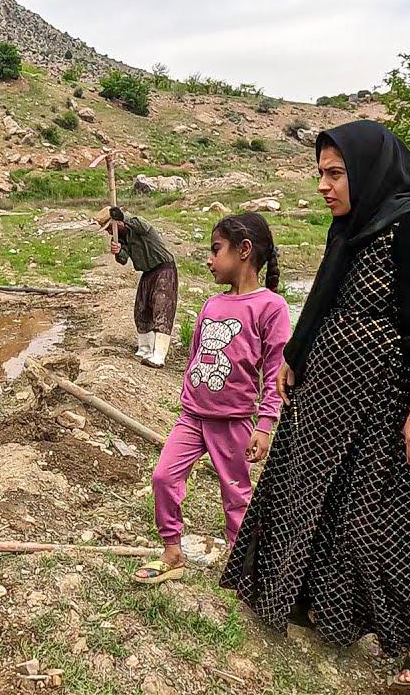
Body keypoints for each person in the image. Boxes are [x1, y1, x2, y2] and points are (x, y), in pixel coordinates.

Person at [220, 121, 410, 689]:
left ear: (368, 173)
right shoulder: (350, 227)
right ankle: (310, 602)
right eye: (321, 174)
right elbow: (322, 298)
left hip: (390, 400)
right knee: (314, 495)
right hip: (329, 394)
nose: (324, 186)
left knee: (385, 516)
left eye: (335, 174)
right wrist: (295, 353)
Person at [133, 212, 291, 584]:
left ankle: (241, 569)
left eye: (216, 250)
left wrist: (264, 425)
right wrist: (189, 396)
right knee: (163, 477)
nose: (209, 259)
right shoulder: (211, 305)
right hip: (192, 417)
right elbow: (193, 357)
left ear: (244, 251)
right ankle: (172, 552)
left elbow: (274, 375)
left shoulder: (271, 308)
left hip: (234, 421)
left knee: (236, 495)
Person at [95, 205, 178, 367]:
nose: (109, 232)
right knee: (141, 310)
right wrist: (118, 252)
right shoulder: (119, 238)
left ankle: (159, 355)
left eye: (109, 228)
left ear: (116, 222)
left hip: (164, 268)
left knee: (162, 309)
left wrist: (122, 217)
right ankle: (145, 348)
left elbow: (142, 225)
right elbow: (123, 259)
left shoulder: (136, 224)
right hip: (147, 272)